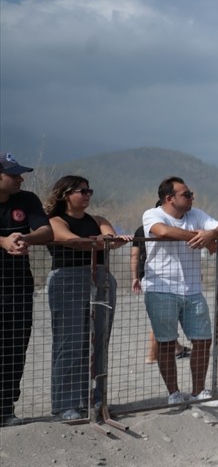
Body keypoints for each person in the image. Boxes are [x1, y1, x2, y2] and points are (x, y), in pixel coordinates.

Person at [44, 176, 131, 420]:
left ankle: (96, 400)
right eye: (81, 191)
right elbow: (70, 241)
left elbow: (110, 240)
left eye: (89, 191)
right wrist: (99, 242)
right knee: (69, 342)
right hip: (68, 281)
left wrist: (106, 241)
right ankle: (66, 404)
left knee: (99, 342)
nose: (87, 195)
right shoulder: (55, 221)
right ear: (65, 194)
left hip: (100, 279)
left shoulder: (98, 220)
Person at [142, 177, 218, 406]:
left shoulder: (196, 215)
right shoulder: (153, 214)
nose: (192, 197)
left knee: (203, 340)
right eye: (187, 194)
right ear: (169, 198)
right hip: (161, 288)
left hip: (192, 288)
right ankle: (173, 393)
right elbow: (162, 232)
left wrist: (211, 235)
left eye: (191, 194)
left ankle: (199, 391)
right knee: (165, 342)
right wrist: (203, 237)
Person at [0, 153, 54, 427]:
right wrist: (2, 241)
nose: (21, 178)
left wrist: (24, 238)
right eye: (14, 174)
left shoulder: (27, 199)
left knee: (15, 346)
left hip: (18, 286)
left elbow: (47, 232)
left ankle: (5, 407)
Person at [131, 203, 190, 365]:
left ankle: (176, 347)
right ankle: (152, 354)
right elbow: (135, 255)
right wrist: (135, 276)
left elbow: (134, 256)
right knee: (160, 317)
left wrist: (135, 276)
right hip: (156, 277)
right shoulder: (154, 229)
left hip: (156, 276)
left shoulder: (142, 229)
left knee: (168, 315)